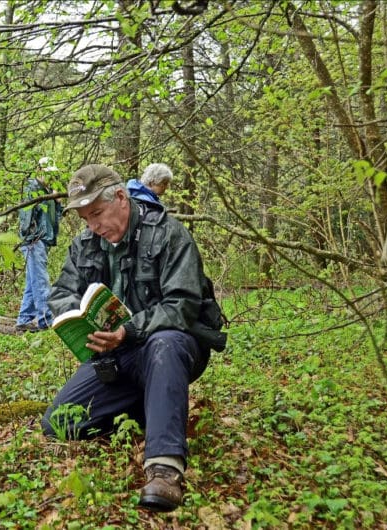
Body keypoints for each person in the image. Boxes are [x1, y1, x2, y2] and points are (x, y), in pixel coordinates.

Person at [43, 164, 226, 512]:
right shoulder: (84, 245)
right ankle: (153, 408)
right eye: (85, 219)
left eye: (97, 213)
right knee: (59, 423)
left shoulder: (169, 234)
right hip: (116, 355)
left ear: (122, 198)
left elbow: (182, 306)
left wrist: (129, 329)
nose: (93, 226)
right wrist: (78, 316)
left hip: (172, 347)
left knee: (164, 343)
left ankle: (165, 469)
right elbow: (61, 293)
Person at [15, 156, 61, 332]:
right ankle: (46, 321)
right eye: (47, 173)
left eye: (52, 174)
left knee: (32, 280)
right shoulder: (32, 189)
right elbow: (26, 218)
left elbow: (55, 220)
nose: (50, 177)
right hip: (34, 241)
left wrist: (57, 204)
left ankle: (24, 319)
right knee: (40, 281)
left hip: (42, 240)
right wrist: (31, 236)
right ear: (39, 170)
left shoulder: (48, 191)